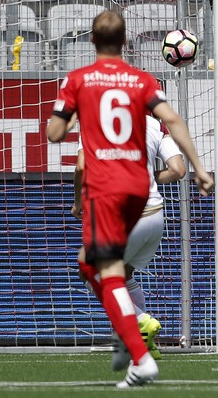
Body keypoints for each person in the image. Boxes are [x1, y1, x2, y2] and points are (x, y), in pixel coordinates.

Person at [46, 10, 214, 388]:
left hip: (106, 190)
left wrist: (69, 119)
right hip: (140, 191)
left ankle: (138, 354)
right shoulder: (141, 80)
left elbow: (55, 133)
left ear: (91, 40)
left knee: (102, 271)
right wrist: (200, 169)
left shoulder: (80, 80)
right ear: (126, 43)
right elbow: (173, 121)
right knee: (94, 266)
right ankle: (129, 337)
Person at [72, 113, 187, 366]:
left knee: (91, 273)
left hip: (124, 217)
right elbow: (179, 170)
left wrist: (78, 200)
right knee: (124, 274)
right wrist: (150, 179)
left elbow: (82, 166)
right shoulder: (155, 124)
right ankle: (147, 346)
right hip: (155, 216)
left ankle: (139, 322)